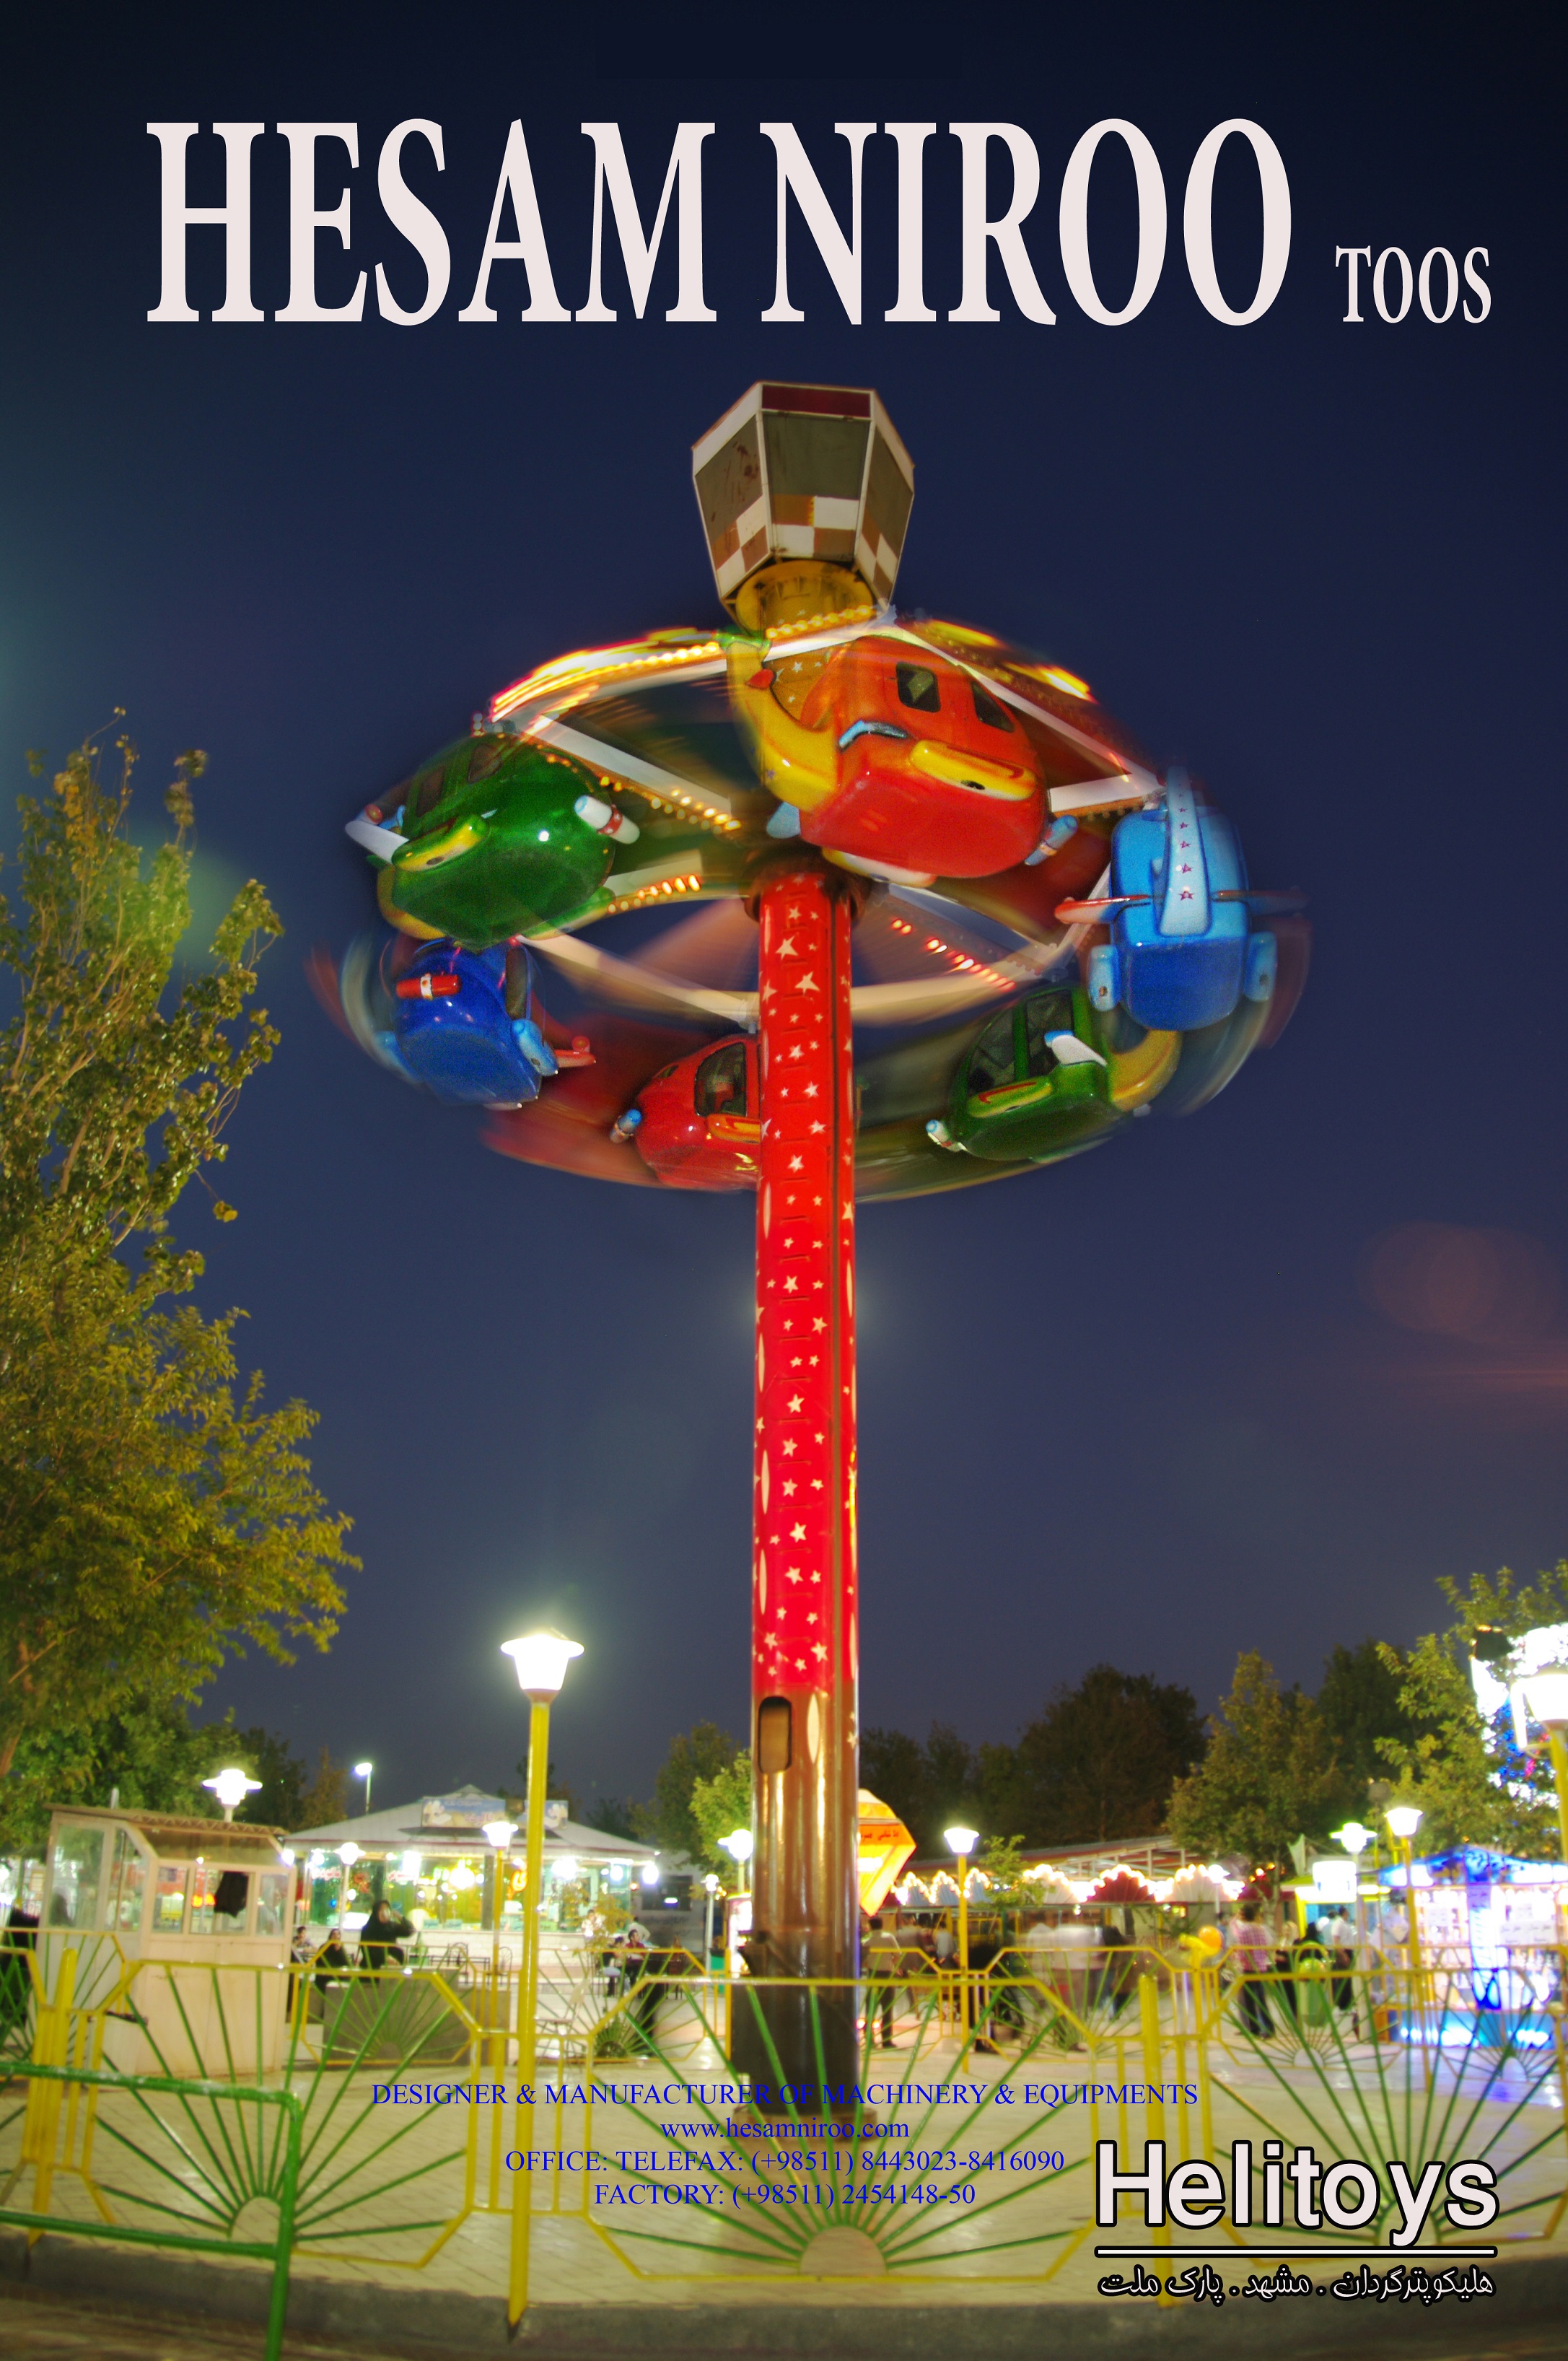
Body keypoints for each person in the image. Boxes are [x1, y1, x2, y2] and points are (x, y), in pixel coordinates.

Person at [1227, 1902, 1273, 2037]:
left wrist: (1237, 1958)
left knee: (1250, 2000)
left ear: (1244, 1916)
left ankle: (1254, 2029)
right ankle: (1269, 2028)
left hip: (1249, 1968)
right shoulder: (1261, 1929)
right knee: (1261, 1999)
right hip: (1262, 1967)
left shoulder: (1244, 1931)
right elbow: (1267, 1946)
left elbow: (1243, 1953)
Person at [864, 1913, 901, 2049]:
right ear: (882, 1925)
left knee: (871, 2009)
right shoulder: (889, 1937)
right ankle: (887, 2040)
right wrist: (892, 1965)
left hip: (873, 1976)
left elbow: (864, 1961)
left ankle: (869, 2039)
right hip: (887, 1975)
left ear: (870, 1926)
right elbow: (898, 1955)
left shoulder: (866, 1941)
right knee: (887, 2008)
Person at [358, 1898, 414, 1972]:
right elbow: (370, 1949)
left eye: (387, 1909)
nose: (384, 1912)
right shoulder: (369, 1929)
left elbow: (410, 1931)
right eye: (381, 1910)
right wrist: (385, 1957)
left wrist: (400, 1917)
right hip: (373, 1967)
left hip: (393, 1967)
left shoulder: (392, 1926)